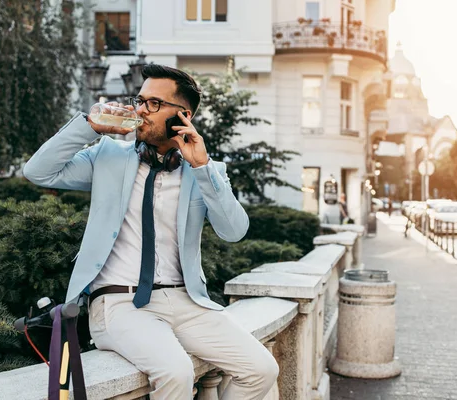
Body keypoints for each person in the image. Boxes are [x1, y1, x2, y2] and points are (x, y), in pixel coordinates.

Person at [23, 64, 278, 399]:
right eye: (140, 100)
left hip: (186, 302)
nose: (140, 110)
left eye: (153, 104)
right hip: (118, 303)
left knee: (262, 369)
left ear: (182, 116)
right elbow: (38, 172)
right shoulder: (108, 155)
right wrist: (89, 126)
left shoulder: (205, 171)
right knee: (175, 371)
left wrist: (202, 168)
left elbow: (233, 231)